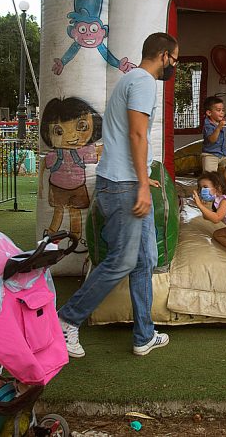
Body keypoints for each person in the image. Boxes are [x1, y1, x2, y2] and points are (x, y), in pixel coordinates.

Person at [57, 32, 178, 358]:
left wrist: (143, 179)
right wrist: (141, 183)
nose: (174, 66)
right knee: (122, 260)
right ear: (164, 55)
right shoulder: (143, 81)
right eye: (175, 60)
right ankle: (66, 320)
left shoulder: (131, 81)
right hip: (125, 186)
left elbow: (127, 136)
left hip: (125, 181)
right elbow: (137, 134)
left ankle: (143, 335)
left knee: (145, 259)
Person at [38, 97, 103, 239]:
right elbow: (44, 164)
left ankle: (75, 235)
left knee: (74, 211)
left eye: (81, 126)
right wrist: (41, 187)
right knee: (59, 210)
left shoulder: (84, 151)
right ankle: (52, 234)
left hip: (77, 187)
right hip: (58, 187)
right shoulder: (54, 154)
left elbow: (98, 152)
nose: (72, 136)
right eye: (59, 131)